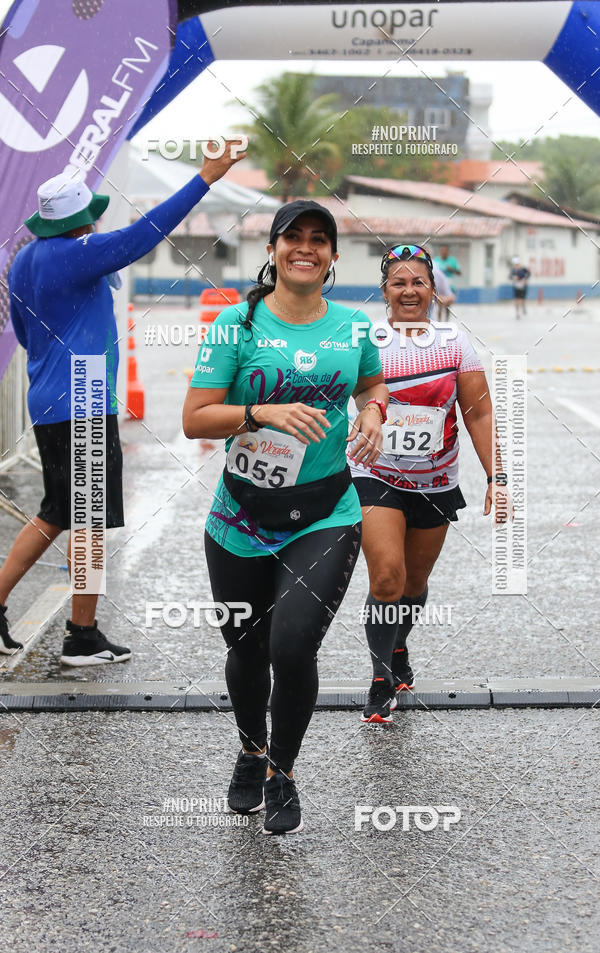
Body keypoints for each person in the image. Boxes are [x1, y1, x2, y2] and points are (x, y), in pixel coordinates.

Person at [182, 200, 387, 833]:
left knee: (291, 644)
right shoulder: (235, 325)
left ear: (332, 255)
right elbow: (194, 419)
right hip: (240, 516)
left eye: (319, 239)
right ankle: (251, 748)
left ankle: (284, 771)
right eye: (292, 237)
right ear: (271, 250)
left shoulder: (353, 325)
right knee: (245, 649)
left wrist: (375, 413)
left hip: (326, 511)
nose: (306, 247)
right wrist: (260, 413)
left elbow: (372, 385)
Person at [0, 143, 245, 664]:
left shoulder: (23, 260)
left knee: (57, 510)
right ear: (80, 221)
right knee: (85, 519)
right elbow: (144, 235)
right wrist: (204, 178)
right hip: (85, 395)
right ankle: (81, 636)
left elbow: (23, 333)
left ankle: (44, 616)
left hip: (47, 396)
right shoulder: (80, 253)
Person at [349, 244, 510, 724]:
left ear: (432, 289)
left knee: (415, 582)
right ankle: (380, 679)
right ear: (384, 291)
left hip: (436, 480)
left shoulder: (454, 341)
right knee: (387, 576)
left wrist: (497, 478)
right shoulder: (364, 338)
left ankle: (398, 649)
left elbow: (478, 412)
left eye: (418, 281)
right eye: (398, 282)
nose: (409, 290)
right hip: (373, 472)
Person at [433, 244, 461, 322]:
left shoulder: (453, 261)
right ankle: (438, 321)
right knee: (439, 304)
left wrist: (452, 269)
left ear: (448, 252)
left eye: (445, 251)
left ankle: (446, 321)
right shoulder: (436, 261)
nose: (443, 252)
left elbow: (459, 273)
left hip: (449, 286)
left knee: (447, 304)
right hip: (438, 286)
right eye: (442, 251)